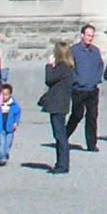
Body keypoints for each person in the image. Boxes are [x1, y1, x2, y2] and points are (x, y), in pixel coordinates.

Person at [40, 40, 76, 175]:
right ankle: (61, 163)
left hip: (58, 104)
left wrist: (49, 65)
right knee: (60, 134)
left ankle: (62, 164)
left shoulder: (62, 67)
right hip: (62, 103)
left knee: (60, 135)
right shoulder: (68, 67)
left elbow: (49, 79)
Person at [67, 23, 105, 151]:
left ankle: (91, 144)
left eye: (92, 36)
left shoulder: (95, 51)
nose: (90, 38)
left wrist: (96, 79)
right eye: (88, 35)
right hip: (78, 89)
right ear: (82, 35)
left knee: (92, 117)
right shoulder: (74, 50)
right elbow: (69, 68)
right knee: (77, 115)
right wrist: (76, 80)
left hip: (92, 89)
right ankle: (64, 136)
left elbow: (100, 66)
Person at [0, 83, 21, 166]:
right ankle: (2, 158)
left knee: (8, 144)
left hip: (10, 128)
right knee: (1, 143)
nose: (4, 96)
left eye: (6, 95)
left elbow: (18, 113)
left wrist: (16, 123)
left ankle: (6, 155)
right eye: (2, 94)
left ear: (10, 95)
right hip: (0, 127)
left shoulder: (13, 104)